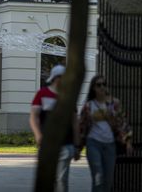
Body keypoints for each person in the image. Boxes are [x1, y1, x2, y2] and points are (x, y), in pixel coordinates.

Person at [30, 64, 80, 192]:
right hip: (47, 144)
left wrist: (77, 144)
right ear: (55, 78)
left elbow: (75, 121)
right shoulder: (42, 93)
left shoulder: (69, 97)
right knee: (47, 178)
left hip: (66, 143)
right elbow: (34, 117)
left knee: (61, 179)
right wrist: (38, 135)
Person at [79, 75, 132, 192]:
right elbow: (82, 128)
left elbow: (122, 122)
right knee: (98, 177)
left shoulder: (114, 103)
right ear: (93, 88)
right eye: (99, 85)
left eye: (104, 84)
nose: (102, 87)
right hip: (93, 144)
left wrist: (128, 141)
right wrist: (78, 148)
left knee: (108, 181)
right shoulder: (89, 106)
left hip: (110, 145)